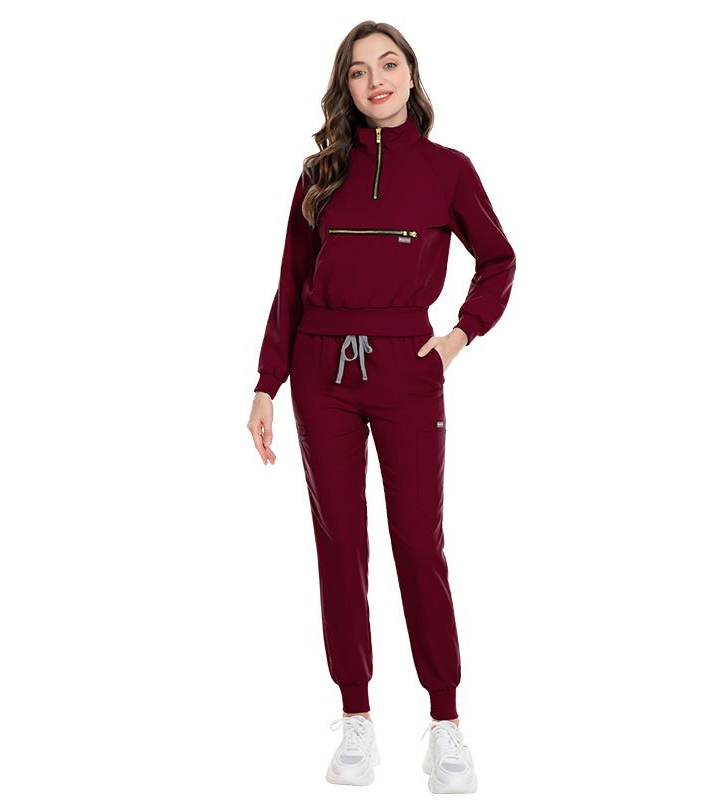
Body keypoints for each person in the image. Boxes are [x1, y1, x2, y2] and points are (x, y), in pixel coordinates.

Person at [247, 21, 515, 794]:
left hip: (407, 367)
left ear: (411, 74)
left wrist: (459, 335)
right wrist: (267, 382)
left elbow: (498, 260)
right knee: (340, 545)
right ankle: (356, 715)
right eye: (360, 71)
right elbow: (291, 282)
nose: (377, 80)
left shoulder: (449, 170)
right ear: (348, 88)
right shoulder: (319, 173)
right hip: (320, 369)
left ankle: (445, 721)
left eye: (388, 64)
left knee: (417, 543)